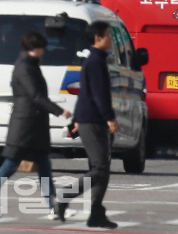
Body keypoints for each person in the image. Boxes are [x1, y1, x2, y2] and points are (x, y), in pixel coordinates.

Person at [0, 31, 72, 219]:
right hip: (24, 128)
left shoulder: (31, 65)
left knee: (45, 169)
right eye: (41, 47)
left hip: (34, 128)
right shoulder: (24, 67)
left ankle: (55, 207)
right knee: (9, 167)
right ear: (33, 48)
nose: (44, 51)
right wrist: (59, 111)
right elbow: (35, 96)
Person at [56, 20, 119, 230]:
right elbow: (98, 94)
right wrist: (110, 117)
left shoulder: (96, 60)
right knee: (100, 169)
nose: (111, 38)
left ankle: (96, 214)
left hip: (91, 119)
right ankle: (66, 195)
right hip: (93, 121)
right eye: (108, 34)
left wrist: (75, 121)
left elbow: (85, 93)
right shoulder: (95, 62)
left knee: (102, 170)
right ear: (97, 38)